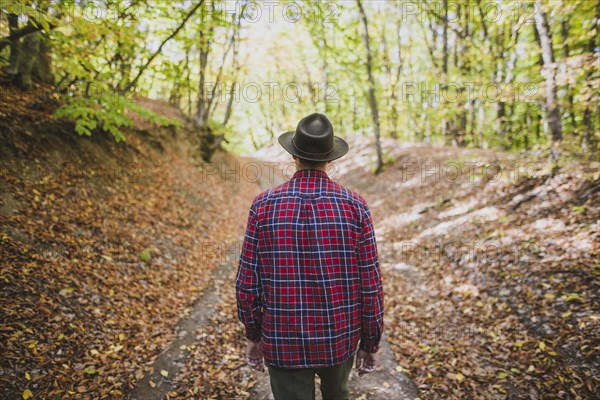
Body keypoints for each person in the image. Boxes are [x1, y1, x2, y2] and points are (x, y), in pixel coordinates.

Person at [235, 113, 384, 400]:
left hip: (282, 339)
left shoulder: (263, 207)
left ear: (294, 156)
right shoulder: (355, 207)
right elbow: (371, 283)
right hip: (338, 339)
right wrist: (370, 342)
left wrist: (254, 335)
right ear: (329, 159)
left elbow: (246, 284)